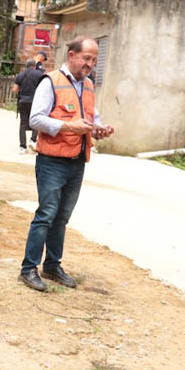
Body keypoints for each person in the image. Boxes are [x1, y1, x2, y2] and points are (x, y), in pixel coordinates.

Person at [17, 36, 115, 292]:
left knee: (62, 217)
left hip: (77, 161)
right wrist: (68, 126)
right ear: (71, 55)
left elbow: (91, 118)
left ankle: (52, 266)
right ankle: (29, 269)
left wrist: (99, 130)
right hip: (52, 161)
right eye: (86, 58)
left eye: (94, 59)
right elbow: (36, 119)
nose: (90, 64)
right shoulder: (51, 82)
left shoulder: (89, 85)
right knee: (46, 214)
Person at [12, 59, 45, 153]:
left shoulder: (20, 75)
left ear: (26, 66)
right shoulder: (39, 74)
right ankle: (33, 140)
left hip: (22, 101)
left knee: (23, 124)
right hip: (35, 102)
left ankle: (23, 147)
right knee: (36, 120)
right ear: (34, 66)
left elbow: (14, 89)